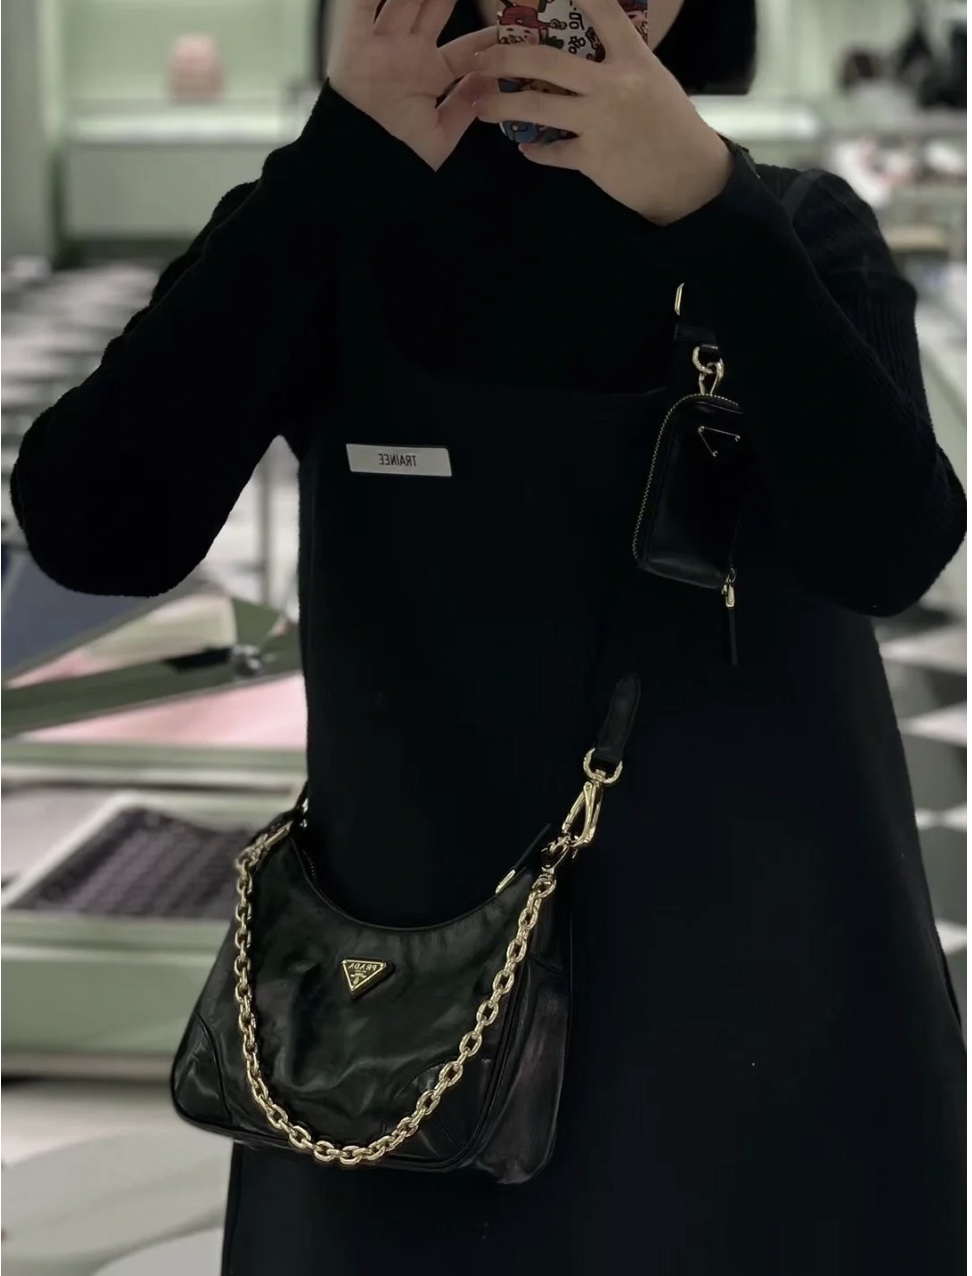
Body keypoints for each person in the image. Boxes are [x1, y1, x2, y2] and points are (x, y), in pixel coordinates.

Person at [10, 0, 967, 1271]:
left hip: (766, 997)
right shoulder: (340, 227)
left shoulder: (792, 228)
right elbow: (93, 529)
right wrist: (335, 162)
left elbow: (891, 550)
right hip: (413, 1031)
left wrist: (713, 210)